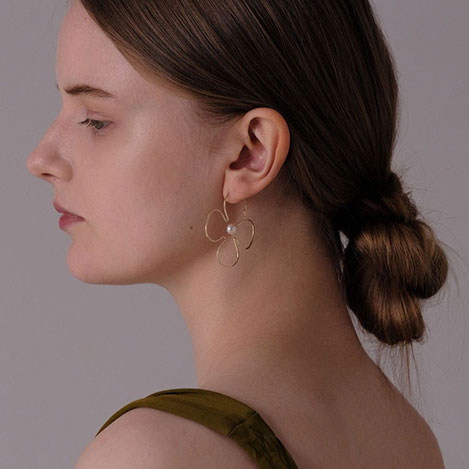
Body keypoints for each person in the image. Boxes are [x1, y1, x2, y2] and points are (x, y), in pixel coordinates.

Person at [26, 0, 449, 467]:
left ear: (251, 153)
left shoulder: (152, 456)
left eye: (96, 120)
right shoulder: (408, 438)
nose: (41, 159)